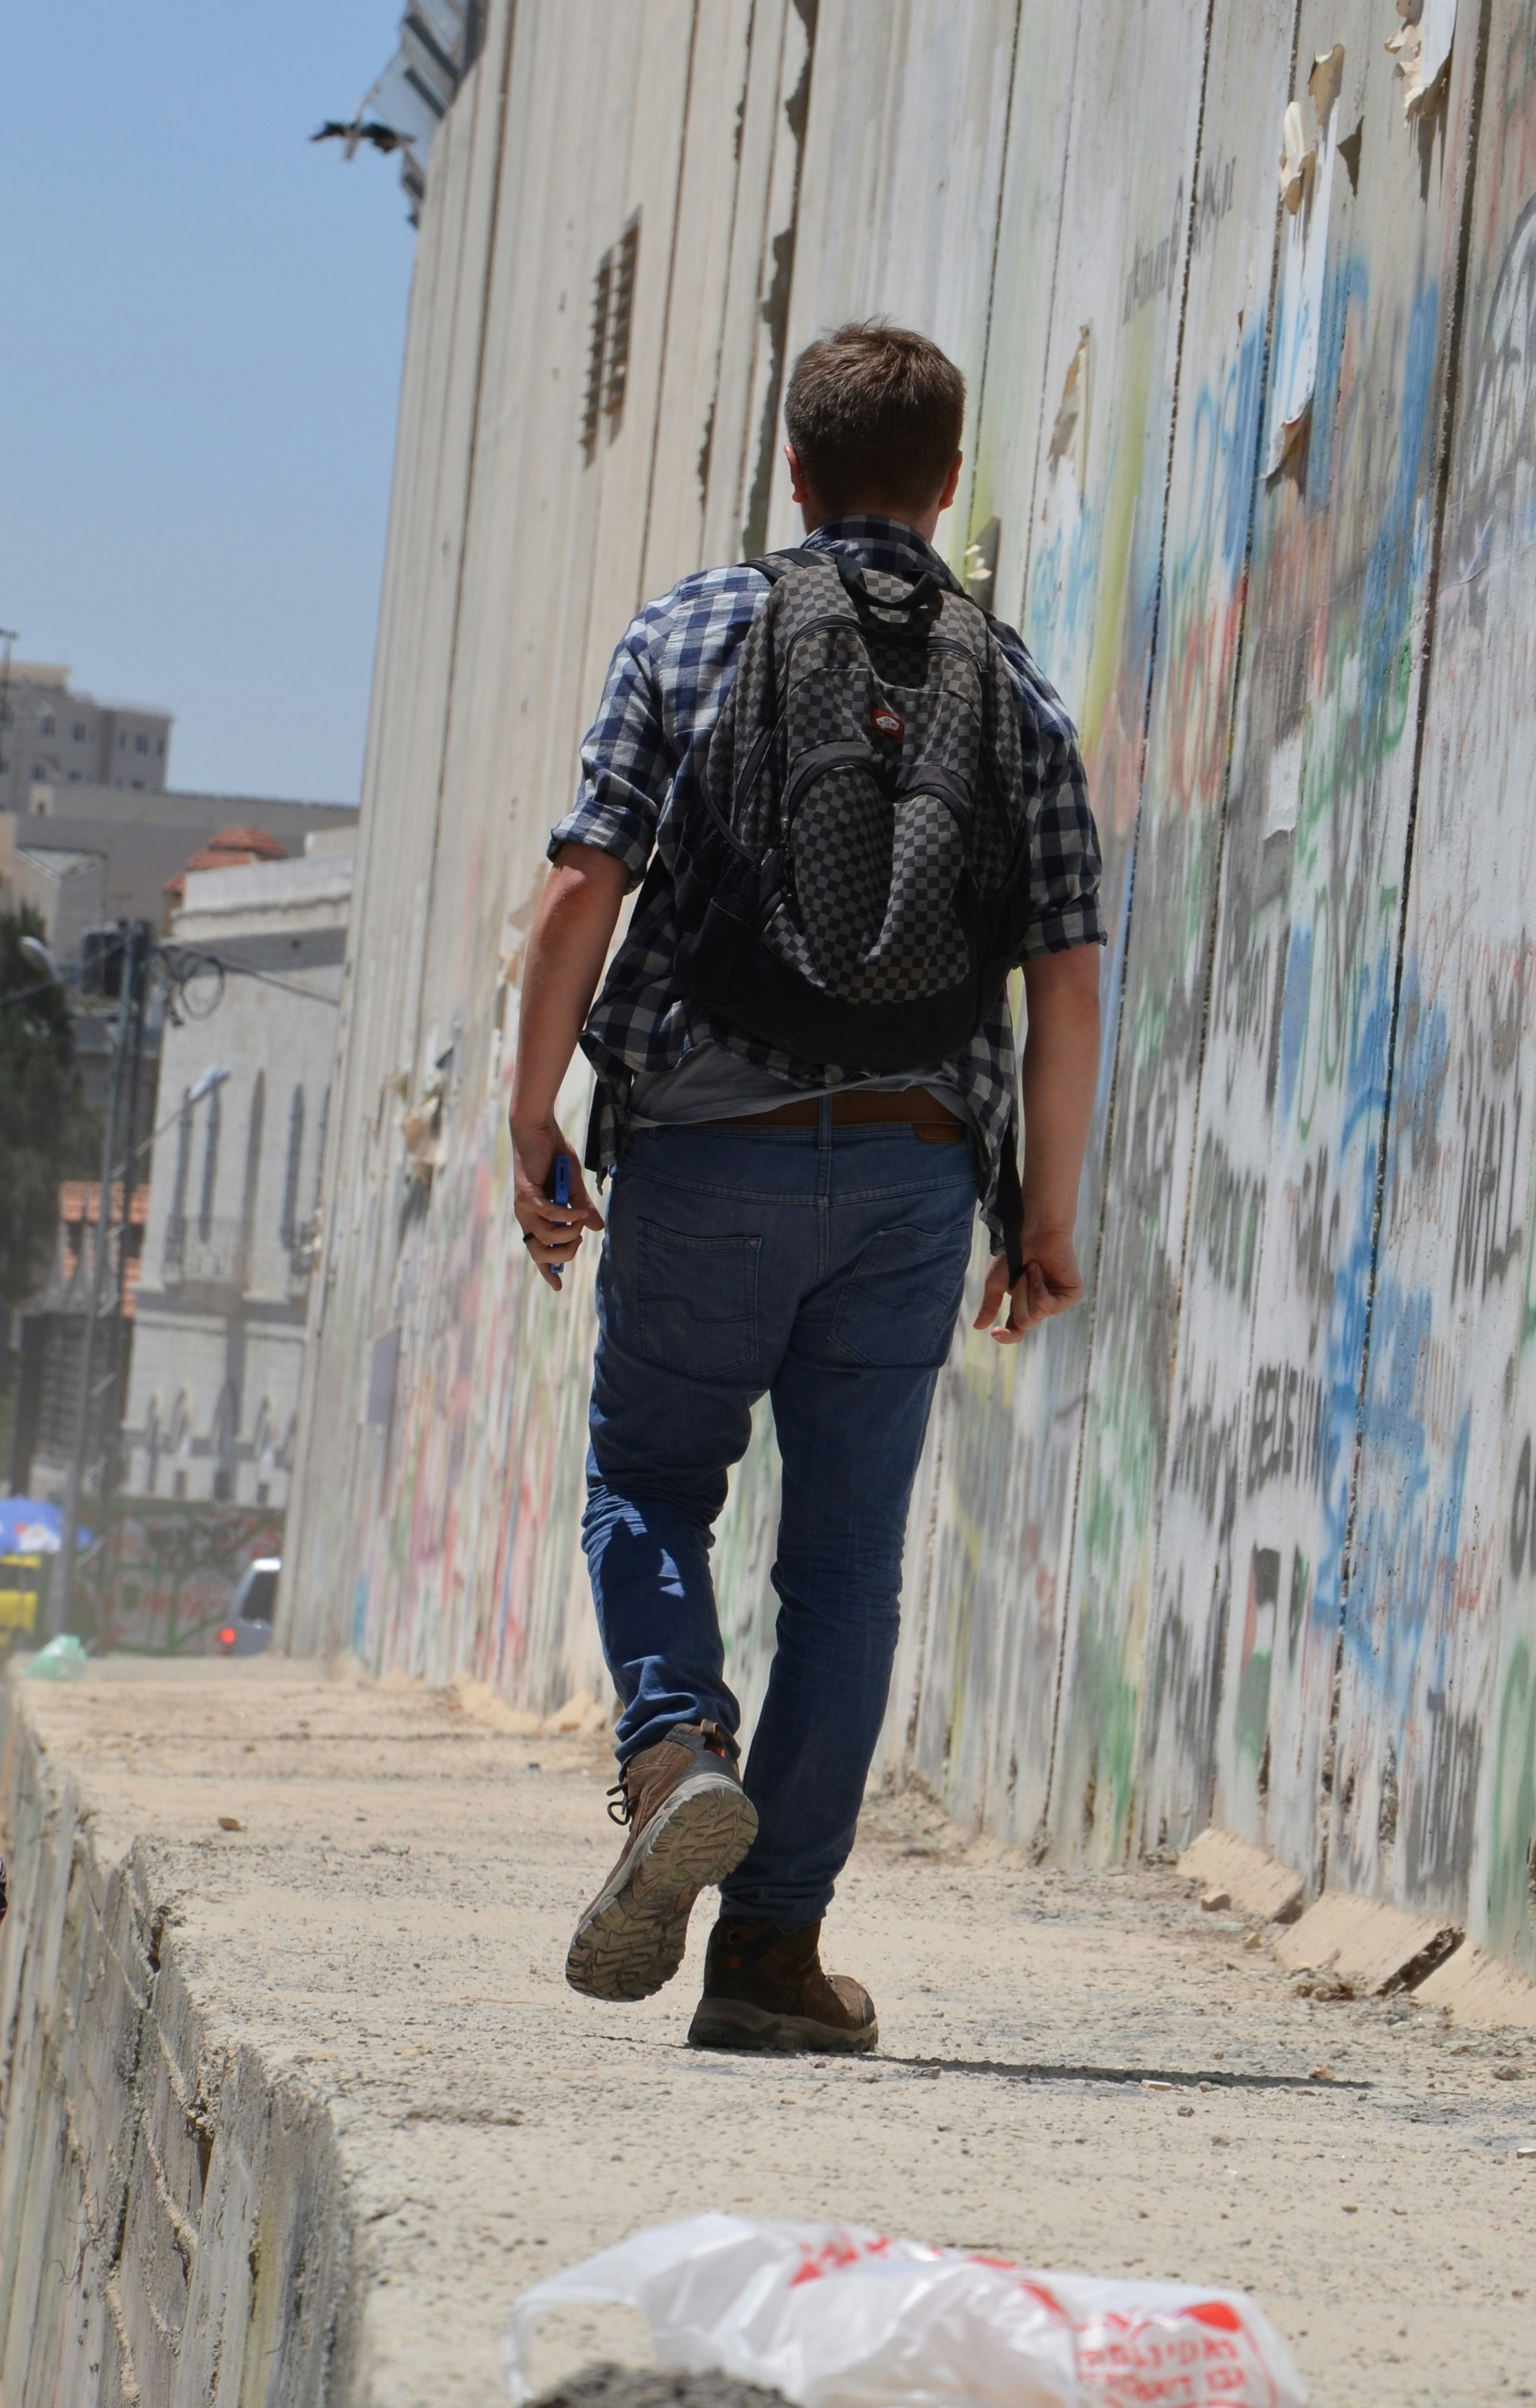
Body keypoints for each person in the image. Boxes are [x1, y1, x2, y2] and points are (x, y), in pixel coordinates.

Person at [509, 321, 1104, 2054]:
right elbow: (1066, 976)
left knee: (648, 1482)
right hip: (914, 1180)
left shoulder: (693, 631)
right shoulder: (1015, 690)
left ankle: (678, 1745)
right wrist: (1043, 1220)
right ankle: (772, 1961)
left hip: (705, 1147)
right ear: (949, 480)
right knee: (846, 1570)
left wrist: (531, 1116)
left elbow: (580, 891)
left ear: (792, 470)